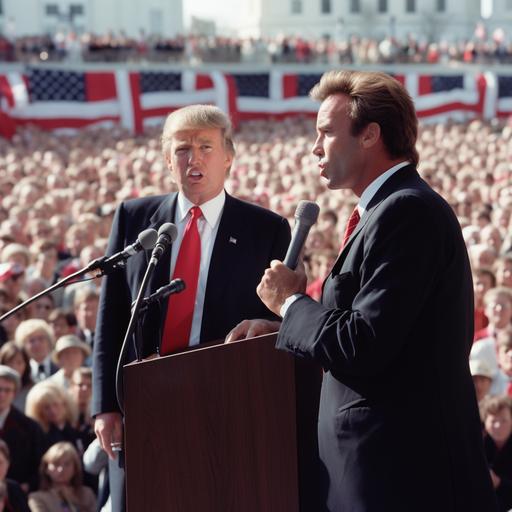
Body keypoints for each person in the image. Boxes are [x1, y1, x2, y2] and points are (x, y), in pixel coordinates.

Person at [231, 70, 497, 511]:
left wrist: (292, 303)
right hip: (380, 471)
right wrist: (282, 323)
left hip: (404, 476)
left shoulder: (406, 212)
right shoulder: (384, 211)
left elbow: (365, 342)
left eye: (326, 132)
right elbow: (369, 326)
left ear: (370, 134)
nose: (315, 147)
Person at [92, 104, 291, 511]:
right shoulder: (134, 219)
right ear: (168, 160)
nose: (194, 158)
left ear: (228, 158)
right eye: (182, 149)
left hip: (225, 404)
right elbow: (110, 316)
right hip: (142, 403)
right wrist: (105, 406)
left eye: (205, 146)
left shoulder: (266, 229)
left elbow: (278, 320)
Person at [28, 441, 96, 512]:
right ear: (46, 468)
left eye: (67, 464)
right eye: (56, 464)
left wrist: (73, 502)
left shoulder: (87, 494)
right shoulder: (37, 498)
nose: (61, 470)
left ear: (75, 468)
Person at [481, 396, 512, 512]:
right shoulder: (480, 444)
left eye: (504, 420)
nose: (498, 426)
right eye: (493, 421)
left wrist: (499, 482)